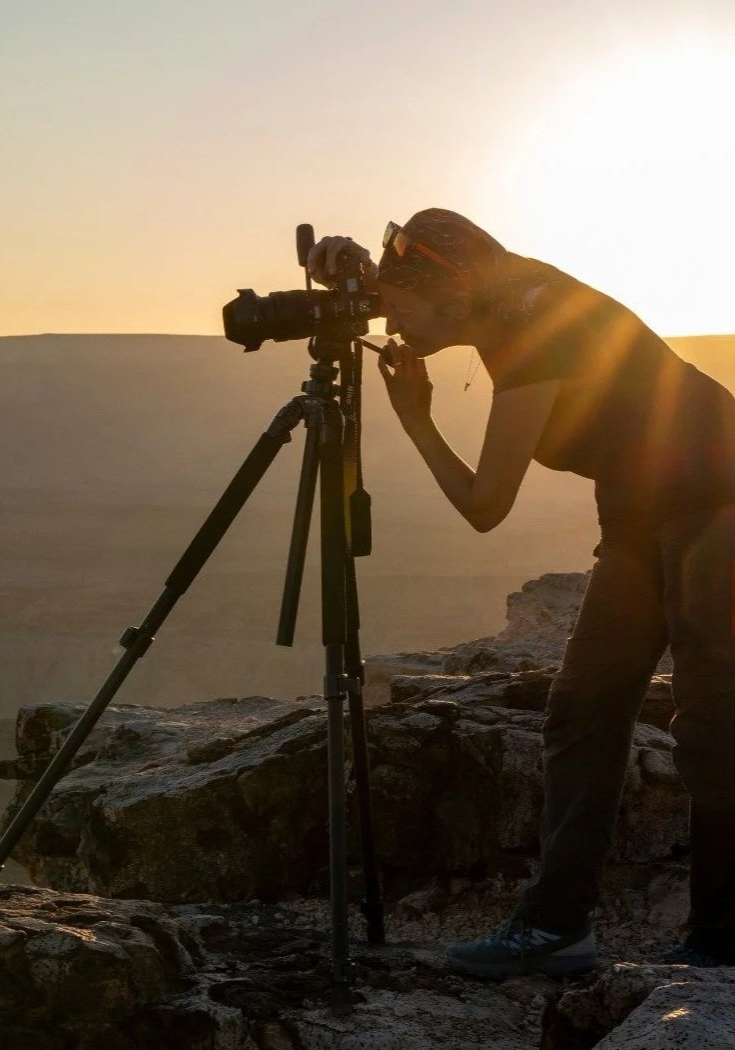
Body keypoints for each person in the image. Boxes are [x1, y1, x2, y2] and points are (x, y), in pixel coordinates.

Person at [307, 209, 735, 979]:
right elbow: (426, 272)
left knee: (712, 719)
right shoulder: (489, 290)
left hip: (719, 499)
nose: (387, 318)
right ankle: (554, 926)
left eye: (397, 301)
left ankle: (722, 939)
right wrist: (344, 272)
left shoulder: (533, 335)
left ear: (452, 289)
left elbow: (483, 504)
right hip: (638, 512)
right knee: (582, 707)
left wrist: (414, 419)